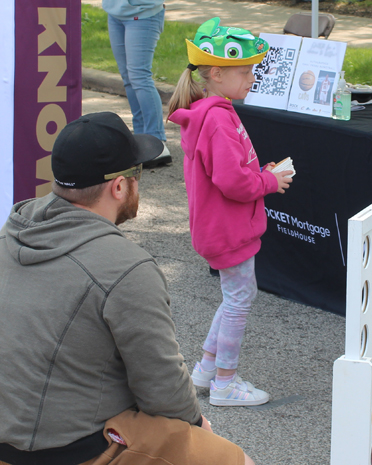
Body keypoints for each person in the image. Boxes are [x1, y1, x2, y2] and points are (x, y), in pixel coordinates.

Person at [0, 112, 254, 465]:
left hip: (11, 435)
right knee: (231, 459)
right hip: (67, 450)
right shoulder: (125, 267)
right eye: (138, 174)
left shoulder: (9, 234)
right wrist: (197, 426)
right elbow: (163, 391)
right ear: (119, 187)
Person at [168, 18, 293, 407]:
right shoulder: (218, 118)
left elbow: (230, 172)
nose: (252, 78)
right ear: (217, 74)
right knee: (239, 298)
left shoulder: (213, 111)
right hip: (227, 228)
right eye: (245, 72)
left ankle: (207, 369)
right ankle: (225, 383)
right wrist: (269, 183)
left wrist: (260, 173)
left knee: (236, 295)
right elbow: (232, 182)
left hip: (219, 226)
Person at [102, 0, 171, 168]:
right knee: (128, 78)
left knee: (139, 77)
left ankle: (156, 142)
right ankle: (141, 140)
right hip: (115, 12)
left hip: (143, 13)